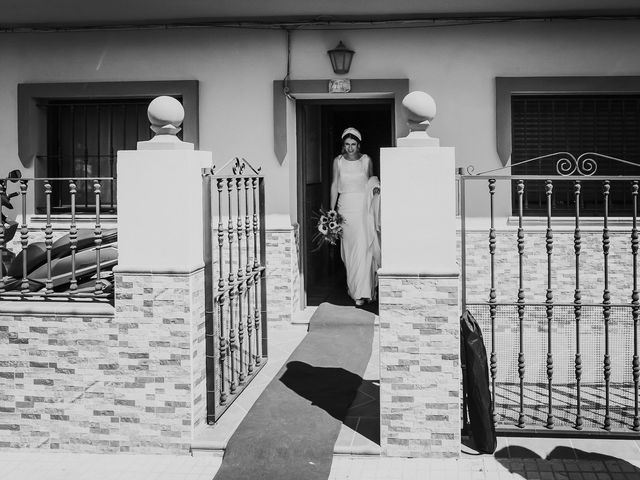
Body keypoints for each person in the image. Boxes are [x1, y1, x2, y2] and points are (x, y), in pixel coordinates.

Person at [330, 127, 381, 306]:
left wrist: (376, 188)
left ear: (358, 144)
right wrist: (331, 212)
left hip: (362, 207)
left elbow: (371, 181)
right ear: (343, 145)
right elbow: (335, 185)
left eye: (353, 144)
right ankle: (355, 290)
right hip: (345, 207)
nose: (350, 147)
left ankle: (365, 292)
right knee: (350, 251)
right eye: (347, 144)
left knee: (364, 248)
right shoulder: (338, 161)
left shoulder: (366, 160)